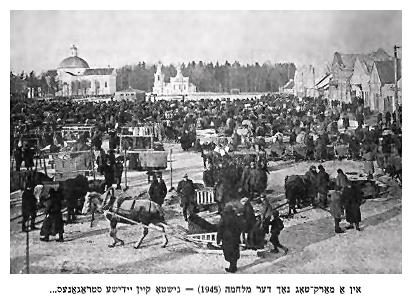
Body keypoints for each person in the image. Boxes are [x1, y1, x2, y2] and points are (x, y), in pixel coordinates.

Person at [217, 205, 242, 273]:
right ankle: (234, 266)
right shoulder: (236, 217)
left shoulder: (224, 218)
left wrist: (218, 239)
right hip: (235, 238)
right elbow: (240, 228)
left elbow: (220, 229)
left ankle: (232, 268)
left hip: (227, 238)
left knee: (228, 252)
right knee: (234, 251)